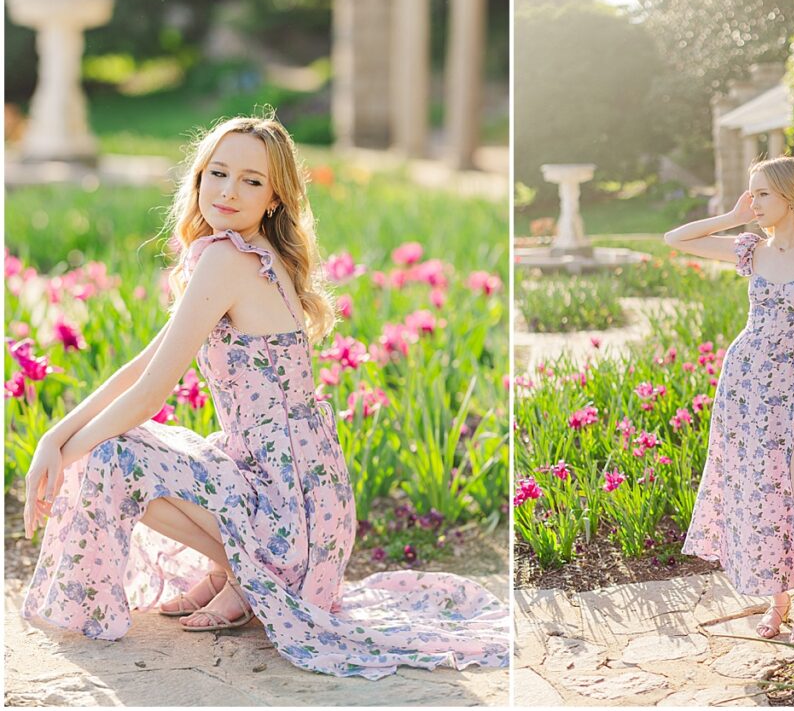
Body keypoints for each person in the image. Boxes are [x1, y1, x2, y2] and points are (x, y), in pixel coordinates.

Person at [21, 114, 509, 679]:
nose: (228, 191)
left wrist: (67, 451)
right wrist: (54, 440)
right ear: (198, 178)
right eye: (218, 172)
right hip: (306, 502)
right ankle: (234, 570)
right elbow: (141, 367)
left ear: (275, 198)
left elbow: (155, 389)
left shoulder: (228, 259)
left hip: (284, 507)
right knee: (117, 446)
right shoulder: (249, 253)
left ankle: (246, 575)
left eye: (251, 181)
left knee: (111, 456)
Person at [663, 155, 794, 646]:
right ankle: (779, 600)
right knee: (762, 497)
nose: (754, 203)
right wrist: (731, 218)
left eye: (762, 194)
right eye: (750, 193)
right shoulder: (751, 248)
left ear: (791, 197)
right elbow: (675, 240)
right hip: (748, 386)